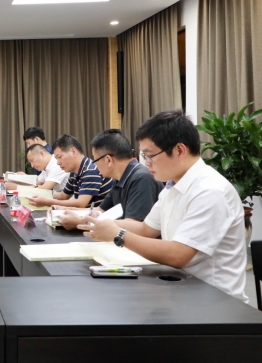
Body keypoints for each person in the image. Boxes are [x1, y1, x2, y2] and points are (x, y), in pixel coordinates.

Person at [78, 111, 248, 302]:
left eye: (150, 155)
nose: (146, 163)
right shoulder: (172, 186)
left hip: (214, 301)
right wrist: (104, 224)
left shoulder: (209, 191)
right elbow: (146, 229)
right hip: (183, 289)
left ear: (179, 150)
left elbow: (178, 254)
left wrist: (118, 235)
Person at [57, 129, 162, 230]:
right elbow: (100, 210)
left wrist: (81, 222)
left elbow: (135, 225)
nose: (95, 165)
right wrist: (65, 210)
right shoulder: (119, 179)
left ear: (108, 160)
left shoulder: (141, 178)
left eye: (95, 160)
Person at [27, 134, 114, 209]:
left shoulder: (90, 170)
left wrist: (47, 202)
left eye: (59, 157)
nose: (58, 162)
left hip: (99, 218)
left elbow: (81, 204)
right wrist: (40, 194)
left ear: (73, 152)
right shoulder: (74, 172)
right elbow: (63, 196)